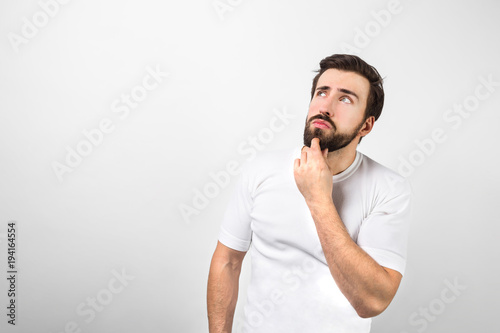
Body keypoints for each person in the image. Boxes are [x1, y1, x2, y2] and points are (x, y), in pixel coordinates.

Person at [207, 54, 412, 333]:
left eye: (345, 99)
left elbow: (372, 302)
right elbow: (227, 261)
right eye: (322, 92)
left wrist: (318, 198)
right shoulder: (261, 169)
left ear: (366, 125)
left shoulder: (388, 188)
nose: (325, 106)